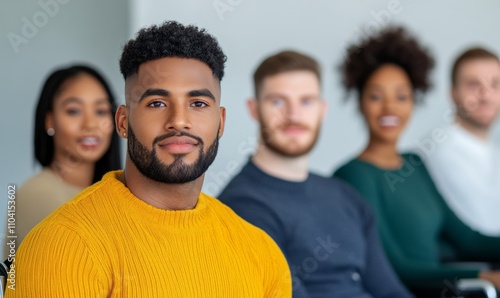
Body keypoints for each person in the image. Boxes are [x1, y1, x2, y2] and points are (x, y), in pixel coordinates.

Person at [6, 21, 291, 297]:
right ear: (122, 121)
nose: (179, 121)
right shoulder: (62, 245)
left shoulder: (262, 254)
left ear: (221, 122)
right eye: (157, 103)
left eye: (198, 104)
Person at [218, 50, 413, 298]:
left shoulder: (344, 196)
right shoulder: (242, 207)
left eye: (306, 101)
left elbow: (390, 291)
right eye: (278, 101)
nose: (294, 115)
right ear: (254, 109)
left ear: (322, 109)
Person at [332, 27, 500, 295]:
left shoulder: (415, 164)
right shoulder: (353, 175)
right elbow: (393, 267)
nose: (390, 108)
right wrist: (483, 275)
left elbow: (468, 240)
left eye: (401, 96)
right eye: (376, 96)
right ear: (361, 101)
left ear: (413, 101)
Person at [16, 65, 122, 246]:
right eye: (74, 111)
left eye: (101, 111)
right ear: (49, 120)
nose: (90, 124)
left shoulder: (115, 192)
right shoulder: (38, 195)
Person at [422, 47, 500, 236]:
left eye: (495, 84)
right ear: (453, 93)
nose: (486, 95)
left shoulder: (493, 149)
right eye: (473, 85)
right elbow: (486, 228)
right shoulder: (438, 152)